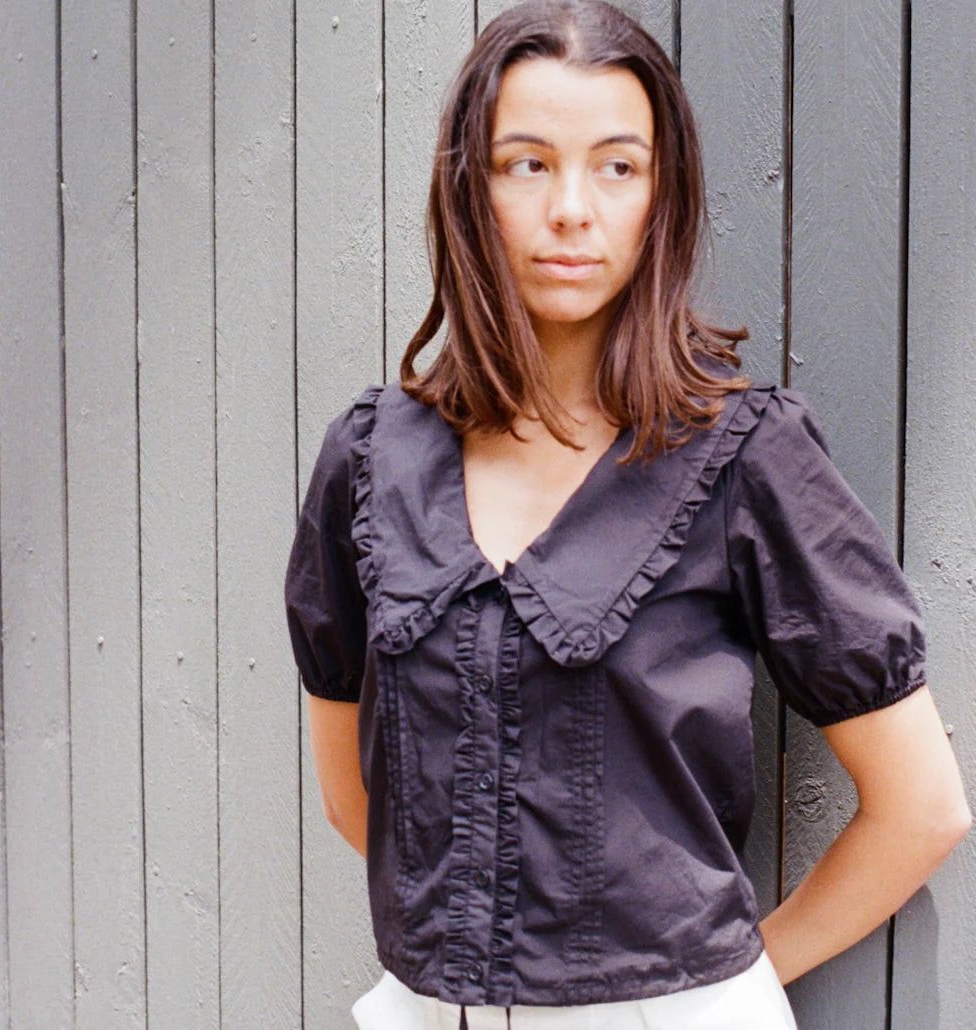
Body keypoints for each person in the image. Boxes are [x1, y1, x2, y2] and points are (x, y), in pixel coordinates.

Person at [285, 2, 971, 1027]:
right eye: (526, 164)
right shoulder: (369, 460)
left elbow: (921, 807)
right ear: (469, 189)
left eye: (617, 167)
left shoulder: (749, 457)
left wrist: (724, 989)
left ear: (662, 196)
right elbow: (360, 803)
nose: (572, 208)